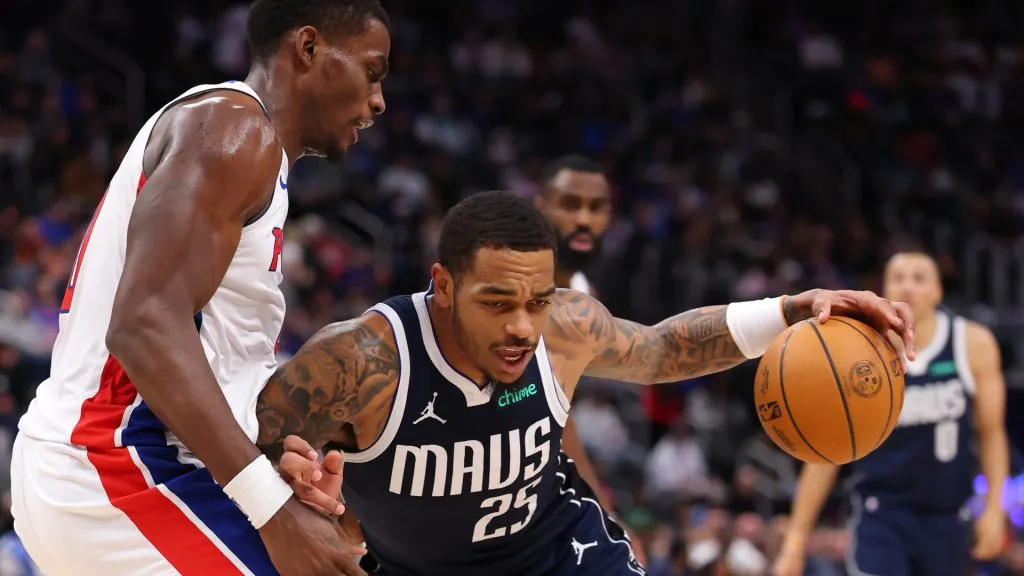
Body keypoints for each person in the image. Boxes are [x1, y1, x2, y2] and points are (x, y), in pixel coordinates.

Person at [255, 190, 916, 576]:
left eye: (536, 300)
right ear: (445, 285)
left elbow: (662, 349)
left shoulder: (565, 328)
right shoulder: (360, 362)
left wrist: (793, 309)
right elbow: (235, 458)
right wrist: (295, 502)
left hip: (556, 555)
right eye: (496, 303)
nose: (522, 326)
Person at [9, 1, 391, 575]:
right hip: (114, 470)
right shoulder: (235, 131)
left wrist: (275, 458)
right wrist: (270, 507)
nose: (379, 100)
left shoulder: (242, 146)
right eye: (372, 71)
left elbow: (200, 347)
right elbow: (144, 326)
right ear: (308, 48)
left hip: (116, 470)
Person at [772, 251, 1008, 576]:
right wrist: (795, 542)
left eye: (919, 278)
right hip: (880, 515)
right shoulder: (855, 350)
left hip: (949, 516)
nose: (908, 286)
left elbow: (992, 433)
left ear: (938, 290)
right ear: (884, 288)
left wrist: (994, 507)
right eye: (898, 278)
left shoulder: (972, 342)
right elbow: (827, 452)